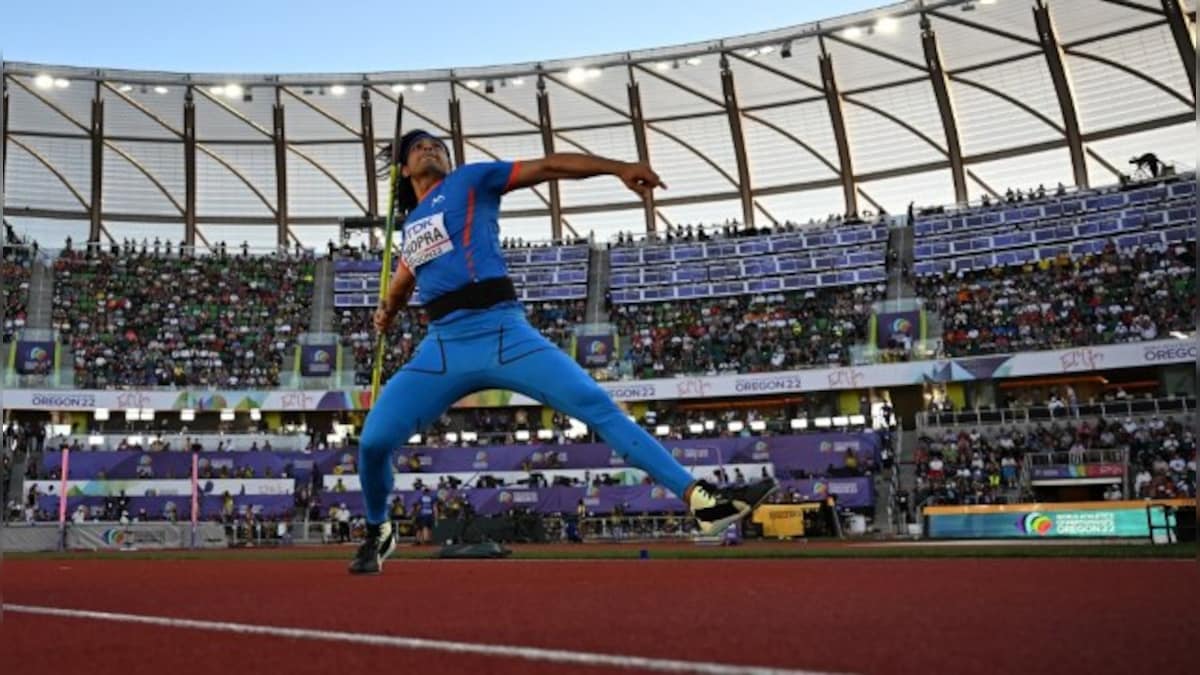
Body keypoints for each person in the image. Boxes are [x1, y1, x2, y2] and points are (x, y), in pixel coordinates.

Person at [349, 130, 775, 574]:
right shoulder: (413, 224)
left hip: (503, 333)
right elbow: (402, 283)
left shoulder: (472, 181)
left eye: (437, 144)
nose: (429, 148)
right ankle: (379, 529)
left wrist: (617, 169)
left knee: (596, 405)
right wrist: (387, 314)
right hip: (442, 348)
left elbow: (549, 166)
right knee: (375, 442)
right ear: (403, 169)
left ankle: (702, 501)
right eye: (417, 147)